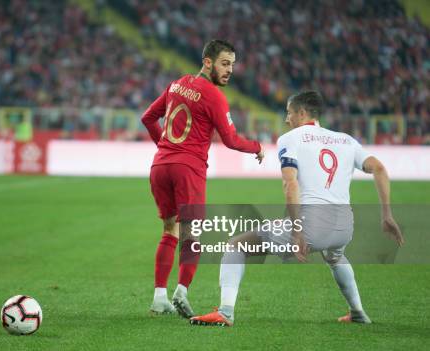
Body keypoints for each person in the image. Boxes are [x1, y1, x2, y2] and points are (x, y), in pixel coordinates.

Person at [190, 90, 404, 326]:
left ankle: (225, 312)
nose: (286, 119)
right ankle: (358, 312)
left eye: (289, 113)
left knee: (236, 245)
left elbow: (289, 183)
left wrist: (297, 230)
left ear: (301, 113)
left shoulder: (290, 139)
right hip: (344, 225)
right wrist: (387, 215)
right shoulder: (346, 140)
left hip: (312, 224)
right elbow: (380, 169)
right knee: (336, 257)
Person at [141, 39, 264, 318]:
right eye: (224, 63)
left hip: (160, 166)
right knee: (192, 235)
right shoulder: (214, 96)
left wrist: (165, 147)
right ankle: (182, 291)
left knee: (170, 230)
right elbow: (231, 140)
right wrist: (257, 147)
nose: (230, 69)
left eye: (232, 64)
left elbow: (148, 118)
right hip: (189, 170)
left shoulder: (176, 84)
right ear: (207, 62)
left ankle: (159, 296)